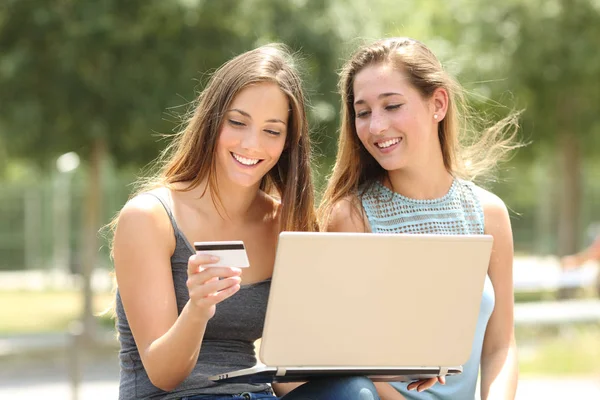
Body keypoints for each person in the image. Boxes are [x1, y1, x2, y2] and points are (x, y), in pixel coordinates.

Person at [109, 44, 380, 400]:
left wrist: (408, 368)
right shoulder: (149, 218)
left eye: (272, 131)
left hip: (255, 395)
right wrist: (198, 310)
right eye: (237, 122)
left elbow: (287, 376)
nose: (252, 145)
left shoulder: (286, 223)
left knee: (354, 392)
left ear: (288, 142)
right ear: (212, 121)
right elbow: (163, 374)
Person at [318, 37, 520, 400]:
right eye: (362, 112)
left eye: (392, 105)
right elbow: (339, 362)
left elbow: (501, 347)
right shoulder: (350, 218)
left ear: (438, 103)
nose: (376, 126)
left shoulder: (489, 215)